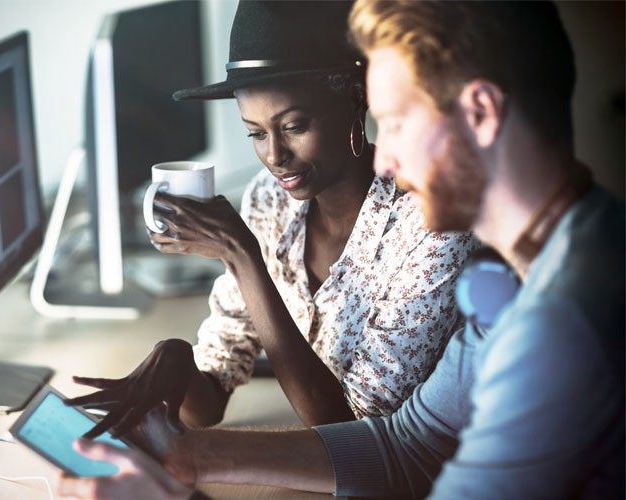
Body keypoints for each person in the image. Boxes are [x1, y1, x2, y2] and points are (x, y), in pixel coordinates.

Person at [58, 0, 624, 498]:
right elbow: (411, 447)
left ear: (479, 113)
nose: (383, 159)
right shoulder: (539, 265)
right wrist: (187, 460)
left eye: (397, 122)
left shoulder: (561, 327)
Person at [66, 0, 477, 435]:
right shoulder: (270, 201)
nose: (275, 157)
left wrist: (242, 255)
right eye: (256, 134)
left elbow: (357, 431)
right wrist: (175, 359)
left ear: (357, 101)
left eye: (294, 126)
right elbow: (208, 406)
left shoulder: (432, 223)